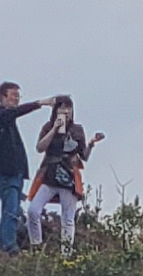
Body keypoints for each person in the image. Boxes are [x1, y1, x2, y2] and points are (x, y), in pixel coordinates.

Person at [0, 81, 52, 251]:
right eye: (13, 95)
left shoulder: (8, 121)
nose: (16, 99)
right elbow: (15, 113)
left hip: (15, 174)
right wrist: (40, 103)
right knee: (11, 210)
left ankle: (7, 241)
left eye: (18, 96)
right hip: (5, 174)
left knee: (15, 211)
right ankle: (8, 246)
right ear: (3, 97)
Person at [26, 94, 104, 253]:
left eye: (68, 108)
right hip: (49, 176)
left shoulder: (77, 130)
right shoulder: (48, 127)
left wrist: (91, 144)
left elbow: (84, 156)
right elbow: (40, 148)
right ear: (55, 111)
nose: (66, 112)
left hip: (68, 178)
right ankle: (36, 246)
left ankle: (66, 254)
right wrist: (54, 129)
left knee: (68, 219)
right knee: (33, 210)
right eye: (62, 109)